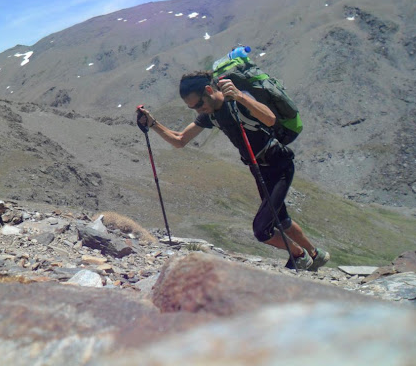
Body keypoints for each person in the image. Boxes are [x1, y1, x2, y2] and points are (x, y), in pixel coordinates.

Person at [137, 71, 330, 271]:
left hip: (279, 164)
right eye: (192, 108)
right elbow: (180, 140)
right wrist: (153, 124)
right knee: (281, 219)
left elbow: (270, 119)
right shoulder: (210, 115)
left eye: (199, 104)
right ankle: (315, 254)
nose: (198, 110)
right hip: (259, 169)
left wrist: (240, 96)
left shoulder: (237, 101)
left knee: (261, 229)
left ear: (209, 90)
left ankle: (299, 255)